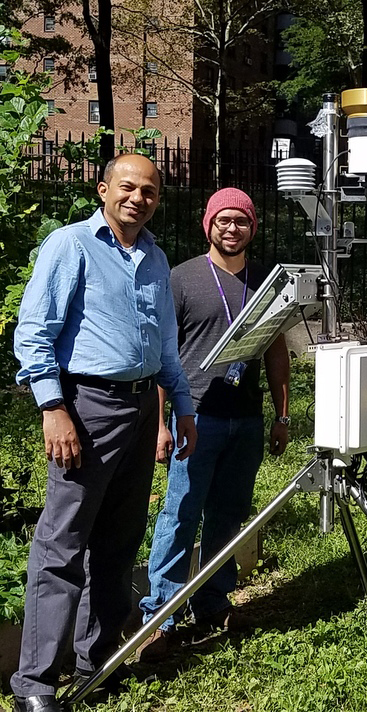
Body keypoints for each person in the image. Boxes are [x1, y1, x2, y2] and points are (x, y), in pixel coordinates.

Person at [11, 154, 197, 712]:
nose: (138, 198)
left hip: (142, 411)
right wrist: (53, 406)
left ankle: (99, 662)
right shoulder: (71, 246)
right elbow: (33, 331)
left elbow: (165, 346)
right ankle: (37, 684)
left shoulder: (155, 257)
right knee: (62, 545)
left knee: (118, 544)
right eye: (128, 187)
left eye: (150, 191)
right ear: (103, 189)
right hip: (85, 409)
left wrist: (179, 406)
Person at [137, 188, 291, 661]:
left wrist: (282, 415)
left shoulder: (265, 282)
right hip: (195, 416)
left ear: (252, 228)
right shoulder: (182, 279)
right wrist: (162, 424)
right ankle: (160, 616)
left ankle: (213, 601)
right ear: (209, 225)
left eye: (241, 221)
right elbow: (165, 355)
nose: (231, 228)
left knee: (229, 516)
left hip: (245, 418)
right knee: (180, 513)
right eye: (222, 220)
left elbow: (277, 352)